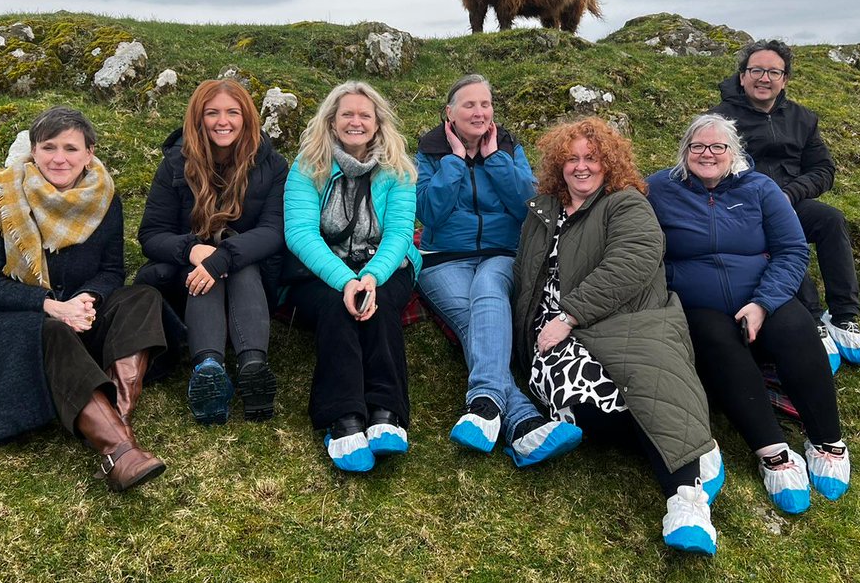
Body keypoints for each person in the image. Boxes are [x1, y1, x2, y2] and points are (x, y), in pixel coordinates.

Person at [514, 117, 719, 555]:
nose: (581, 167)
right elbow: (527, 274)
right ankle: (686, 447)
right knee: (587, 399)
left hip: (628, 318)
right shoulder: (542, 209)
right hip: (556, 327)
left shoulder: (625, 203)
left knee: (650, 386)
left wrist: (569, 315)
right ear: (558, 165)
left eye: (591, 158)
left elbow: (633, 262)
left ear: (609, 163)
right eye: (572, 159)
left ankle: (688, 498)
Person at [0, 106, 167, 493]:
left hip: (78, 308)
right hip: (9, 315)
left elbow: (112, 270)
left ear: (89, 153)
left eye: (70, 147)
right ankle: (119, 449)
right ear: (33, 151)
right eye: (49, 147)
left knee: (143, 297)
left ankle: (117, 412)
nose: (59, 158)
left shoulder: (104, 196)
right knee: (51, 330)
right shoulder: (1, 195)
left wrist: (87, 297)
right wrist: (51, 304)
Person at [647, 112, 852, 515]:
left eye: (717, 146)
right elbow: (638, 243)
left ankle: (827, 439)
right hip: (698, 304)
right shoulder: (658, 189)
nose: (707, 154)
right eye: (698, 146)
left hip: (761, 294)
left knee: (797, 328)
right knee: (716, 341)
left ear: (733, 151)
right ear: (684, 151)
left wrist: (762, 303)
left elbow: (792, 250)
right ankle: (772, 449)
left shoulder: (759, 188)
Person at [416, 74, 581, 466]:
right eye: (469, 104)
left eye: (485, 104)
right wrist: (455, 162)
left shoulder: (507, 147)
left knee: (489, 287)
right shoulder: (430, 152)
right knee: (477, 324)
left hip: (504, 253)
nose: (479, 112)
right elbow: (429, 214)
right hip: (443, 259)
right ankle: (523, 423)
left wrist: (495, 161)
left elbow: (529, 204)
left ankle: (484, 402)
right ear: (449, 113)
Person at [710, 39, 860, 369]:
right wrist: (765, 197)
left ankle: (843, 317)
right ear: (742, 76)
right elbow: (712, 169)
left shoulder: (803, 119)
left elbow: (824, 170)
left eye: (773, 71)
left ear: (785, 79)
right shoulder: (720, 120)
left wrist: (790, 193)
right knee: (780, 235)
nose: (764, 78)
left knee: (830, 220)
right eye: (756, 70)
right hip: (744, 209)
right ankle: (811, 318)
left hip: (791, 200)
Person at [283, 81, 421, 473]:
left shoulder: (398, 169)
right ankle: (341, 417)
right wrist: (346, 281)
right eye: (347, 114)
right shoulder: (308, 164)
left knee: (377, 306)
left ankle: (386, 412)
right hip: (322, 266)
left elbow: (398, 234)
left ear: (378, 124)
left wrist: (371, 278)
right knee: (337, 307)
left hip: (384, 263)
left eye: (365, 115)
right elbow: (300, 234)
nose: (355, 122)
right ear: (331, 121)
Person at [136, 79, 288, 425]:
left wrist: (222, 256)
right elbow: (151, 233)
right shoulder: (176, 163)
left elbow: (274, 231)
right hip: (185, 277)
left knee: (237, 265)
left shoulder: (273, 165)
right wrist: (192, 250)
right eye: (212, 113)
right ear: (198, 118)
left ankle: (252, 369)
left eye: (233, 112)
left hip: (250, 279)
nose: (224, 121)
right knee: (205, 271)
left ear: (247, 117)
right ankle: (209, 372)